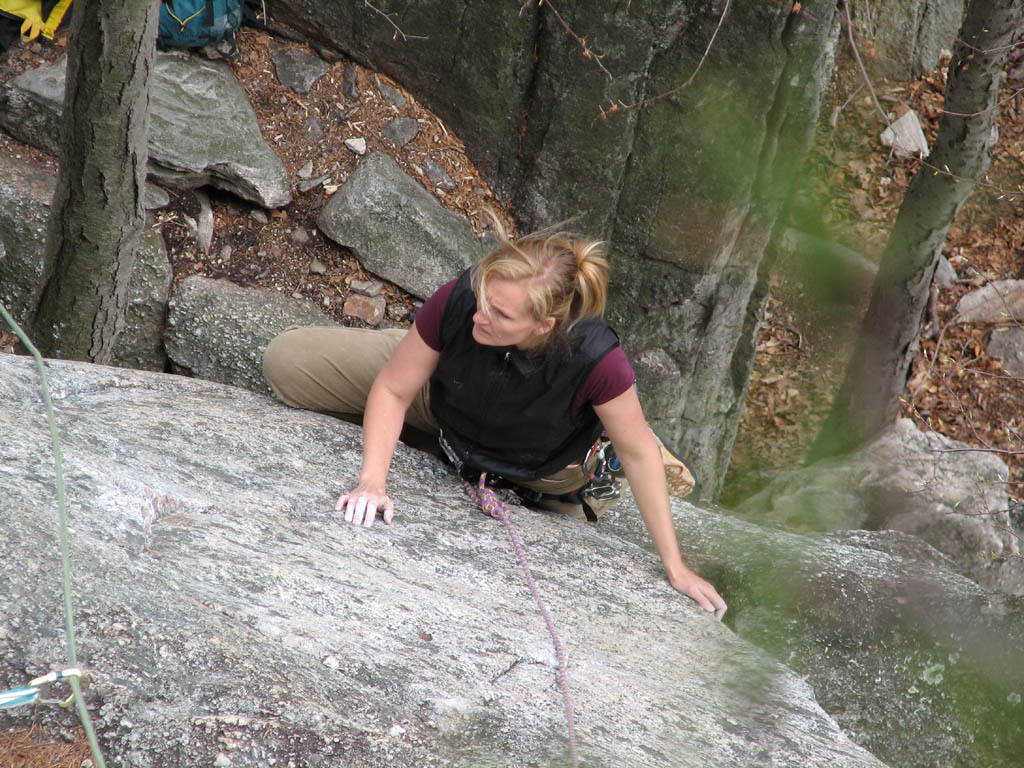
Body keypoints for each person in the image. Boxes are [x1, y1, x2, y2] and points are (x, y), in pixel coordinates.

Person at [263, 224, 727, 619]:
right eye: (483, 298)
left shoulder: (597, 360)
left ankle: (606, 437)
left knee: (624, 441)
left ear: (543, 325)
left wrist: (675, 566)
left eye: (500, 314)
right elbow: (393, 389)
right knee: (286, 363)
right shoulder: (466, 301)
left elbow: (639, 453)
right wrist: (372, 482)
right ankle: (426, 402)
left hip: (540, 458)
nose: (479, 316)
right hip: (447, 392)